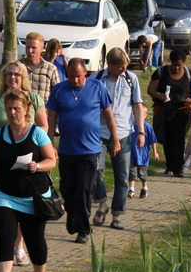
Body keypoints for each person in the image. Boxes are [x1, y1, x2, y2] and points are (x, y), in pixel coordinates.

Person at [0, 90, 56, 272]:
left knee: (34, 238)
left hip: (33, 195)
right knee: (4, 235)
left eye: (17, 109)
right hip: (3, 193)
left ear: (27, 109)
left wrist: (37, 166)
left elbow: (51, 160)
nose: (13, 113)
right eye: (9, 109)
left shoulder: (37, 133)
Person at [46, 57, 118, 245]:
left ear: (85, 73)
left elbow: (109, 114)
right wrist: (50, 144)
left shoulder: (97, 87)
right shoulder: (59, 90)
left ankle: (83, 230)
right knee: (67, 188)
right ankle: (72, 215)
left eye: (78, 76)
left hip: (90, 150)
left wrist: (115, 139)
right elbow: (52, 118)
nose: (75, 80)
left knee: (85, 189)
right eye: (71, 76)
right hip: (67, 149)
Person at [93, 47, 144, 230]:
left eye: (125, 66)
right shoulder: (96, 78)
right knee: (95, 170)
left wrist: (141, 131)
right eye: (120, 67)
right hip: (99, 132)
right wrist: (95, 111)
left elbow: (137, 105)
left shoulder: (131, 79)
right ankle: (102, 205)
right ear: (110, 64)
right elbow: (87, 103)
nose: (124, 70)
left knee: (122, 176)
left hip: (123, 133)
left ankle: (117, 215)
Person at [147, 48, 191, 176]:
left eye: (179, 65)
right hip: (164, 111)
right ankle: (169, 165)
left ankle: (178, 168)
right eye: (174, 65)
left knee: (179, 139)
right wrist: (159, 95)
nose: (176, 68)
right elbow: (150, 89)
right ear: (170, 62)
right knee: (167, 139)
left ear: (183, 63)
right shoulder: (161, 72)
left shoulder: (189, 75)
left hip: (182, 112)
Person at [22, 32, 63, 103]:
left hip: (43, 109)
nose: (30, 51)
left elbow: (58, 94)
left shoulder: (50, 69)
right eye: (27, 47)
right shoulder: (17, 67)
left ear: (42, 48)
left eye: (33, 48)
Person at [130, 115, 155, 200]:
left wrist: (155, 152)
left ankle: (144, 188)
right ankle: (131, 189)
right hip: (132, 154)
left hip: (143, 155)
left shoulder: (147, 126)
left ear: (145, 115)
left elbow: (153, 140)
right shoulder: (131, 125)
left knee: (142, 174)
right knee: (132, 172)